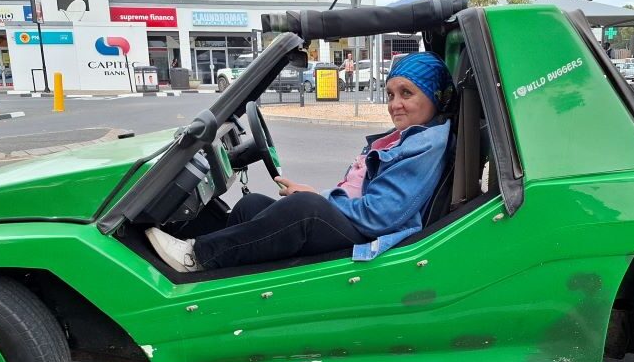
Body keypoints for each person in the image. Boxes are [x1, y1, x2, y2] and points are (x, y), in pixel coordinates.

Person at [145, 51, 455, 273]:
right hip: (359, 222)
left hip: (373, 236)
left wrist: (318, 199)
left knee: (305, 211)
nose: (395, 105)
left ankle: (195, 256)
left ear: (434, 96)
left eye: (406, 93)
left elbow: (381, 216)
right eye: (390, 94)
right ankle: (206, 270)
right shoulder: (405, 135)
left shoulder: (426, 144)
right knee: (250, 207)